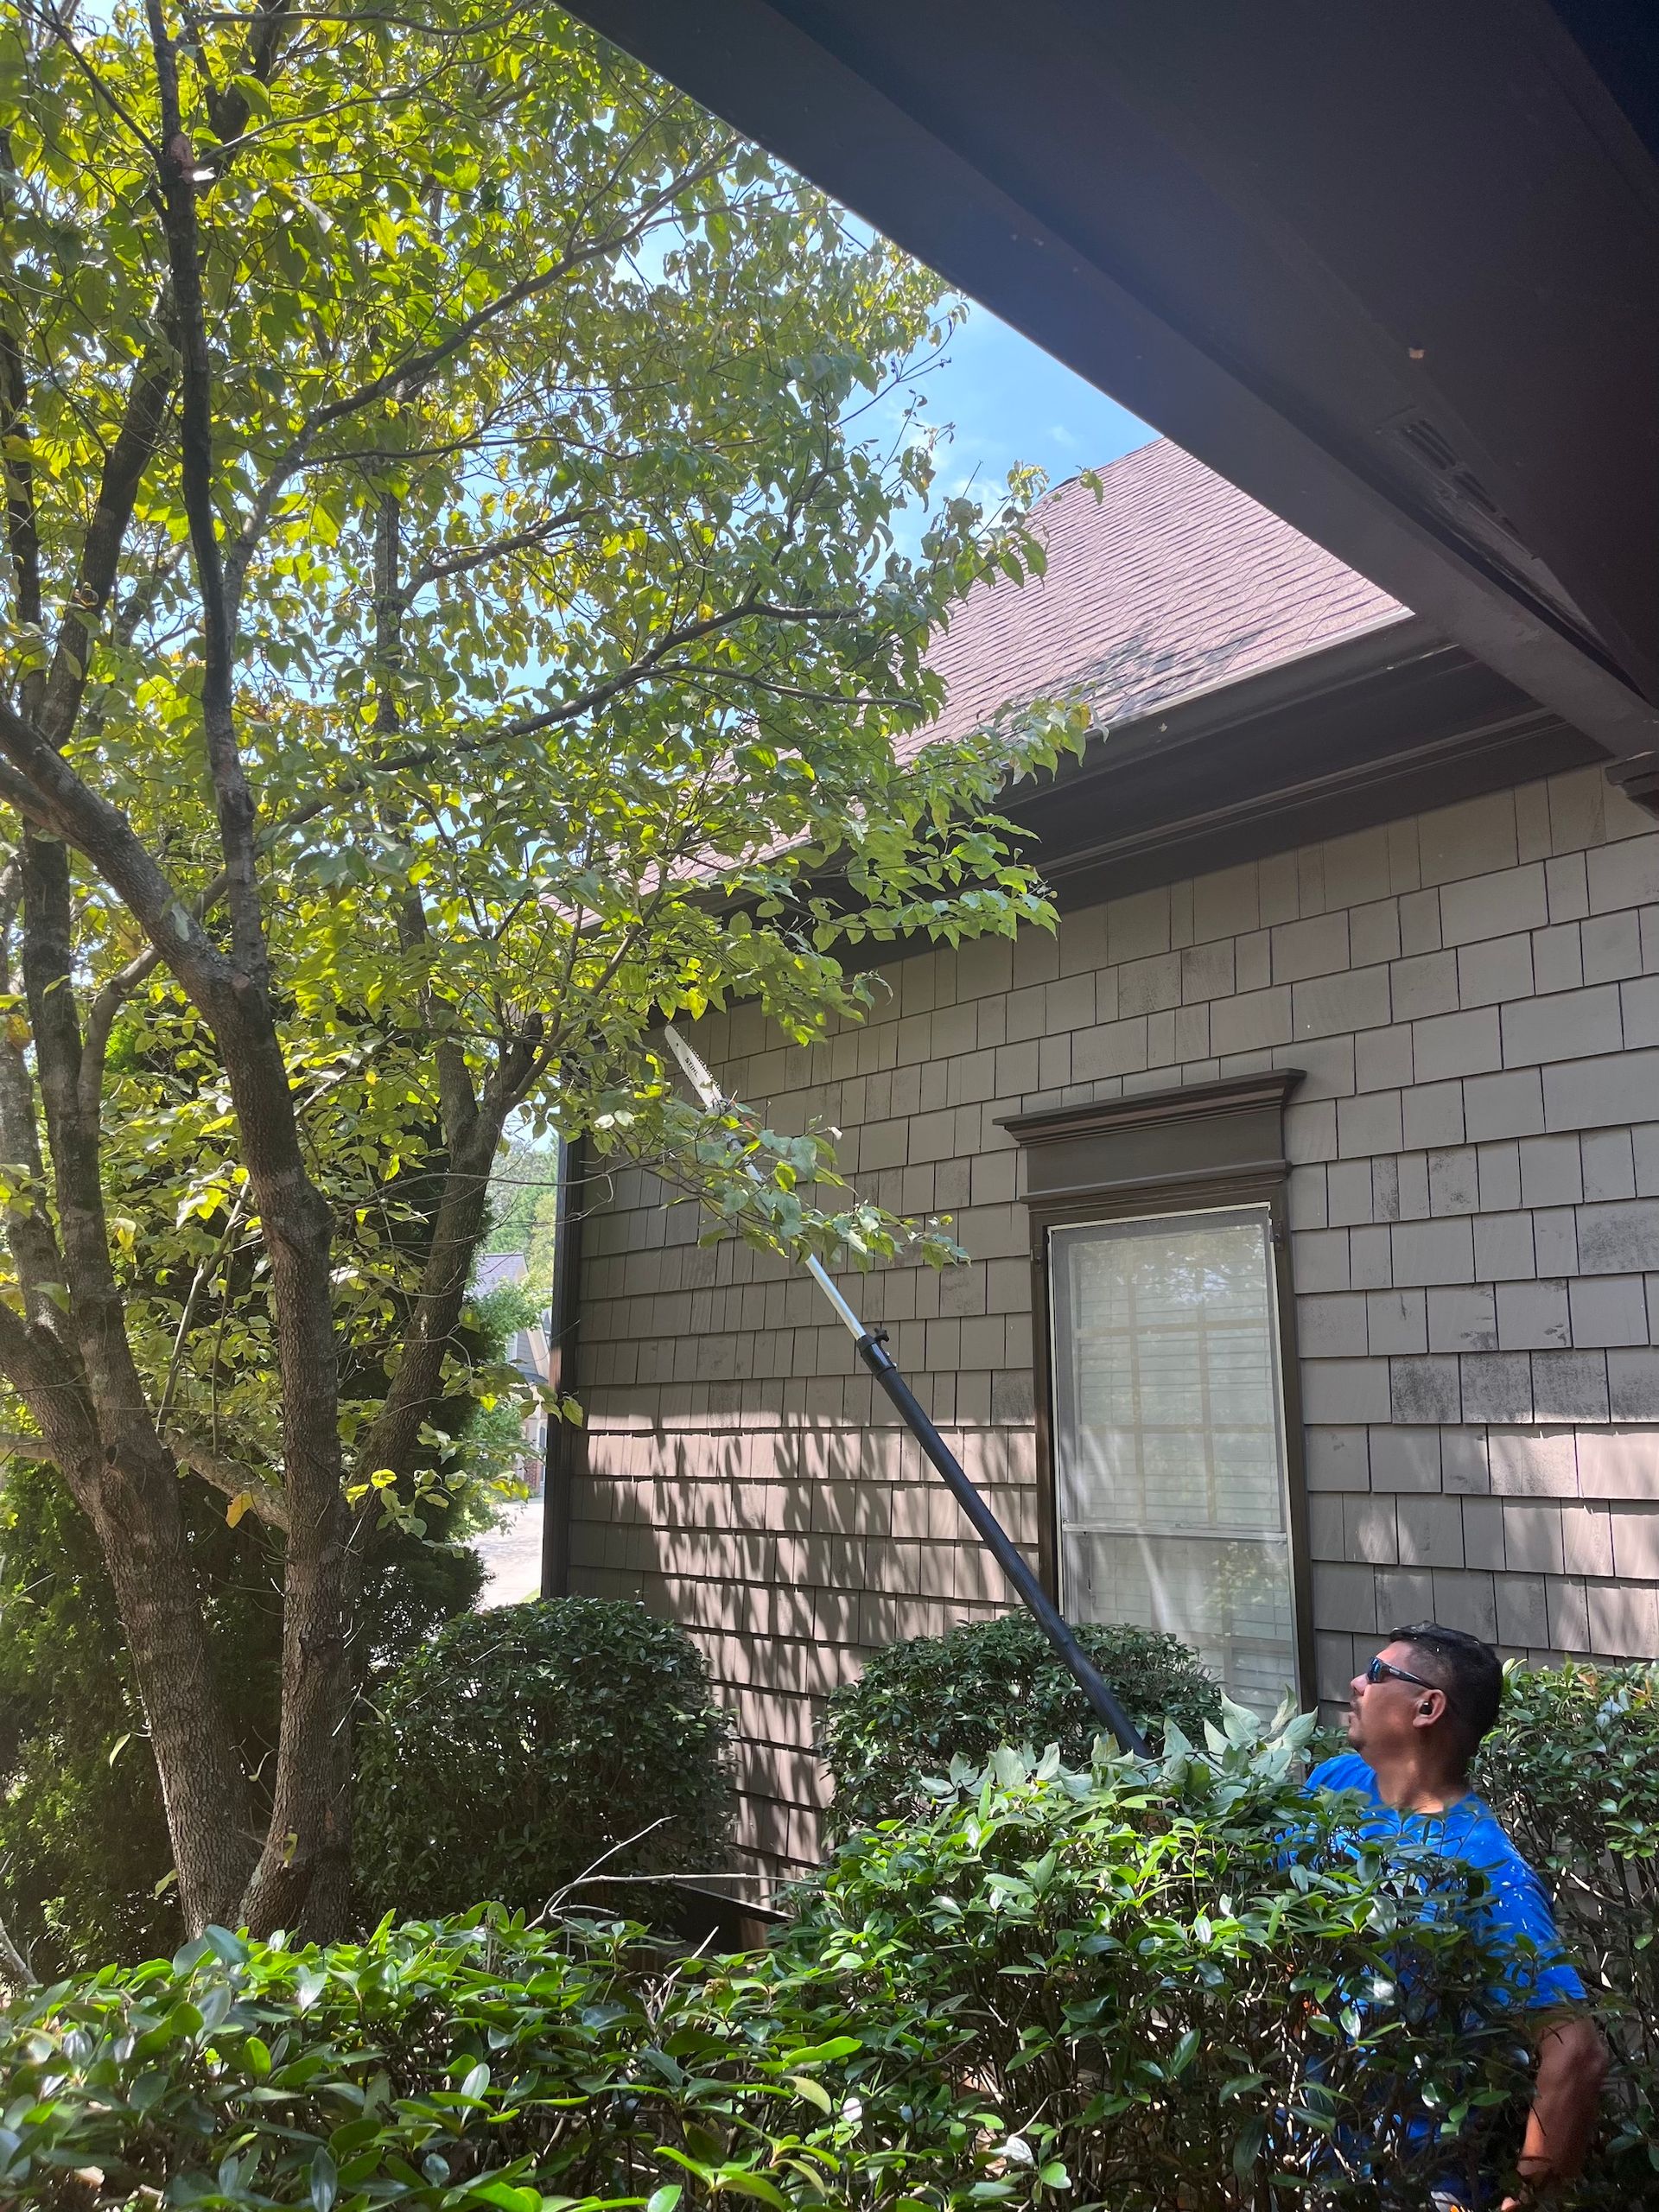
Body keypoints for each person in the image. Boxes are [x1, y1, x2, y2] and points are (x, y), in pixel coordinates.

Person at [1306, 1623, 1607, 2209]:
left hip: (1413, 2182)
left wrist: (1527, 2197)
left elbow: (1574, 2050)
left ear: (1427, 1706)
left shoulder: (1485, 1869)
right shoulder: (1335, 1783)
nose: (1357, 1683)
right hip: (1310, 2150)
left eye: (1377, 1673)